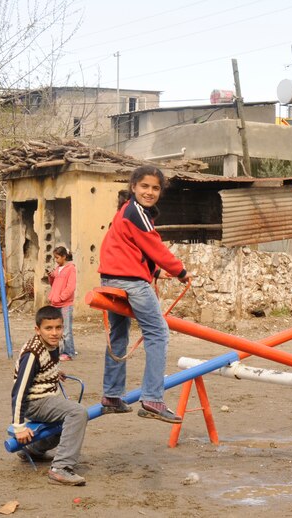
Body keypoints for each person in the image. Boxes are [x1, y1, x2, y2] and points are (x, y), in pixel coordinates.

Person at [98, 165, 191, 424]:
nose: (149, 192)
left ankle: (112, 396)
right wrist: (180, 270)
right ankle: (152, 398)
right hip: (130, 283)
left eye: (155, 188)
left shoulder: (126, 211)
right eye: (145, 186)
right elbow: (154, 247)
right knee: (157, 332)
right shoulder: (136, 212)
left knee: (119, 334)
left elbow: (130, 250)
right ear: (133, 187)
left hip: (112, 278)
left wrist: (156, 274)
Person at [11, 305, 88, 486]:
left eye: (58, 328)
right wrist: (19, 427)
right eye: (48, 328)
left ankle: (32, 450)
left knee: (65, 426)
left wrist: (55, 373)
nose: (54, 333)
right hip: (34, 402)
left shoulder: (53, 345)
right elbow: (19, 391)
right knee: (78, 413)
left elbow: (47, 366)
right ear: (37, 330)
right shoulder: (31, 355)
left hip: (47, 398)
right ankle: (60, 468)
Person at [48, 246, 77, 361]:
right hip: (55, 303)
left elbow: (71, 287)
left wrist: (61, 297)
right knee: (56, 329)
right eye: (55, 258)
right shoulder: (57, 269)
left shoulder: (71, 269)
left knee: (66, 330)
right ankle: (60, 351)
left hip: (65, 304)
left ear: (64, 257)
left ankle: (69, 352)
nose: (56, 260)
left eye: (57, 257)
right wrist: (50, 276)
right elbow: (53, 284)